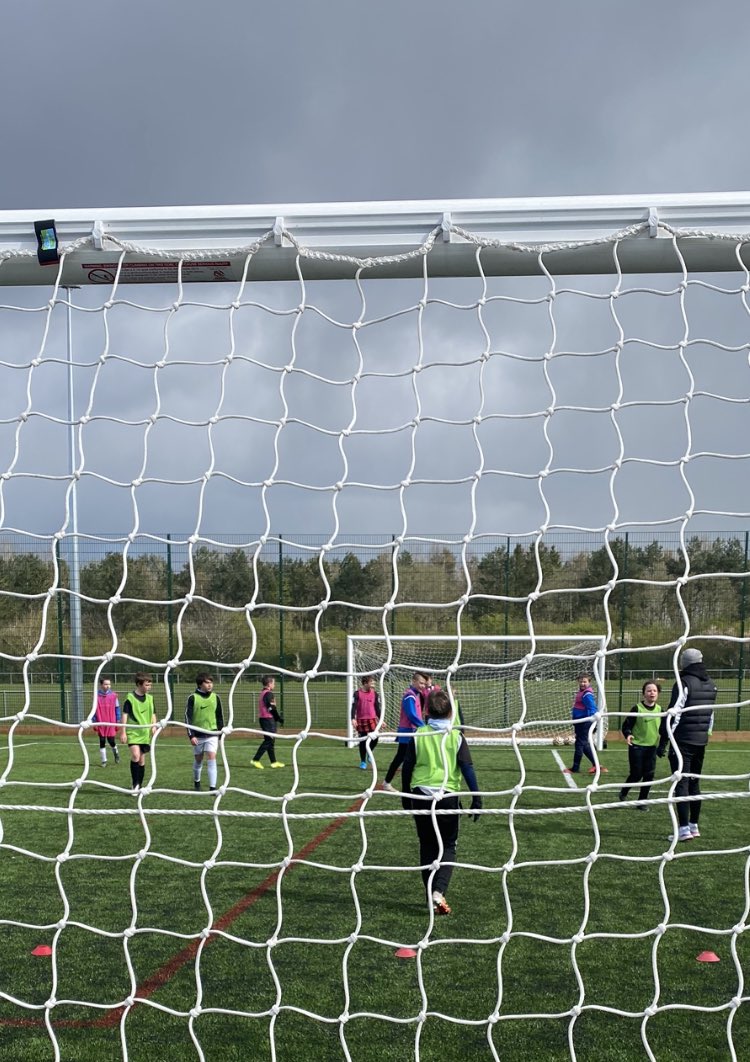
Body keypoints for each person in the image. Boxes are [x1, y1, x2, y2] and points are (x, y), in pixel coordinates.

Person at [401, 688, 482, 916]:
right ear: (451, 714)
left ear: (426, 711)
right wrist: (477, 797)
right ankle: (438, 891)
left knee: (426, 845)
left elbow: (407, 768)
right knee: (447, 846)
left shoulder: (419, 734)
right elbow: (467, 768)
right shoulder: (456, 736)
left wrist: (405, 794)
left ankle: (430, 894)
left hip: (420, 796)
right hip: (446, 798)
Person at [657, 648, 717, 842]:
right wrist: (704, 735)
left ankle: (683, 829)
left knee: (681, 783)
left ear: (684, 662)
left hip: (682, 740)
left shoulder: (683, 683)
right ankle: (694, 825)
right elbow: (710, 715)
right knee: (694, 782)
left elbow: (675, 712)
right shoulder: (711, 684)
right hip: (701, 741)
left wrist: (666, 738)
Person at [381, 671, 428, 792]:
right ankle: (390, 783)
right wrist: (424, 727)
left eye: (424, 684)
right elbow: (411, 715)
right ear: (414, 681)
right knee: (402, 758)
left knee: (406, 758)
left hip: (412, 731)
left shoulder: (416, 695)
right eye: (421, 683)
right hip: (407, 732)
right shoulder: (410, 695)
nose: (423, 686)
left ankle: (390, 783)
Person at [619, 680, 661, 807]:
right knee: (636, 774)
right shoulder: (637, 708)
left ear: (658, 693)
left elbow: (665, 729)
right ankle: (624, 791)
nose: (651, 693)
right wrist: (628, 734)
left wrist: (663, 745)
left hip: (652, 747)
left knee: (649, 775)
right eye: (648, 690)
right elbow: (626, 725)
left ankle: (642, 801)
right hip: (637, 746)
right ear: (644, 694)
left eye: (654, 690)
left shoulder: (660, 710)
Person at [185, 672, 224, 791]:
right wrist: (191, 735)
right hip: (198, 735)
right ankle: (197, 782)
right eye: (207, 682)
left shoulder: (216, 697)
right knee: (198, 759)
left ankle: (212, 788)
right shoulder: (193, 698)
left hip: (212, 733)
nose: (210, 685)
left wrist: (221, 732)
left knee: (212, 757)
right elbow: (188, 717)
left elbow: (219, 716)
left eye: (211, 682)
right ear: (200, 684)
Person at [564, 673, 608, 775]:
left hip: (584, 723)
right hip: (579, 722)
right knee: (584, 745)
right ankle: (597, 765)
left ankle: (575, 768)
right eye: (581, 681)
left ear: (589, 682)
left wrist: (593, 721)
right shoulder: (582, 692)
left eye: (585, 681)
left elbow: (592, 708)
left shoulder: (587, 694)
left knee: (579, 744)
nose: (582, 683)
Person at [120, 672, 157, 794]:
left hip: (145, 733)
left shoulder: (150, 698)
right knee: (135, 755)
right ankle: (135, 785)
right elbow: (124, 715)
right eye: (147, 685)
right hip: (133, 732)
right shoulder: (130, 698)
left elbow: (153, 713)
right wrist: (123, 732)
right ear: (139, 684)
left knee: (142, 760)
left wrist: (154, 726)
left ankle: (140, 785)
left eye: (150, 685)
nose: (149, 687)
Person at [251, 675, 284, 769]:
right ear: (269, 684)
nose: (274, 685)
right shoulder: (269, 694)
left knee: (271, 741)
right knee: (269, 740)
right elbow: (271, 708)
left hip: (265, 719)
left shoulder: (263, 693)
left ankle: (273, 762)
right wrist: (278, 718)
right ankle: (255, 760)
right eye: (273, 683)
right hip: (267, 719)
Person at [351, 674, 382, 769]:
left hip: (372, 720)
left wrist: (381, 719)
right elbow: (354, 707)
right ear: (365, 683)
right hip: (361, 720)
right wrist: (353, 718)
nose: (373, 684)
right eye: (371, 682)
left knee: (375, 738)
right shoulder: (357, 694)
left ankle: (370, 752)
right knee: (363, 741)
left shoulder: (375, 694)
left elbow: (377, 708)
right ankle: (363, 761)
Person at [93, 675, 121, 767]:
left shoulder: (113, 696)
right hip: (100, 721)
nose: (108, 686)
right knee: (102, 740)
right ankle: (104, 760)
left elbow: (117, 708)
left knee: (111, 741)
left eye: (109, 684)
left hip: (111, 721)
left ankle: (116, 753)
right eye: (105, 684)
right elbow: (93, 709)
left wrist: (118, 719)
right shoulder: (96, 696)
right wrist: (94, 721)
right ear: (101, 685)